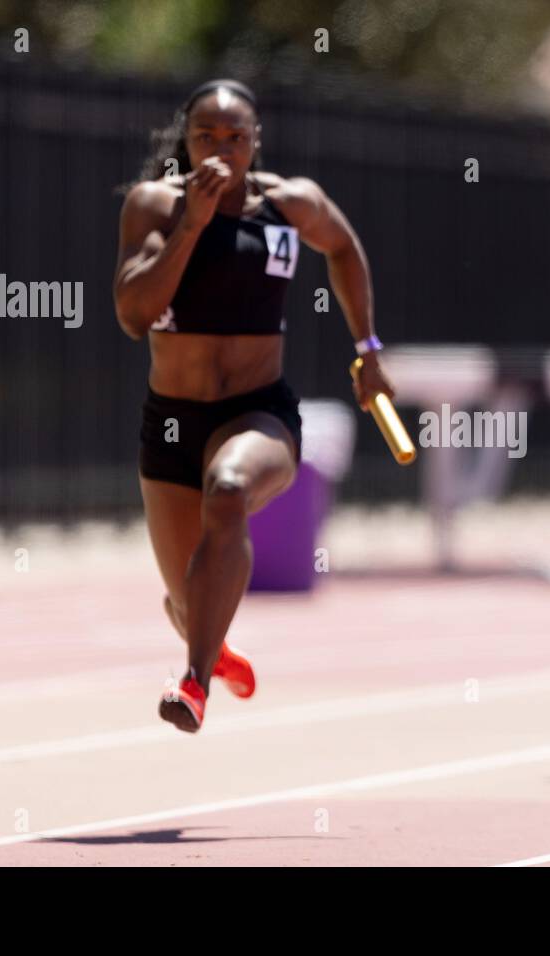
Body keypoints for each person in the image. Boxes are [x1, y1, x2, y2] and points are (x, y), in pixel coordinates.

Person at [113, 79, 395, 733]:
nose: (221, 149)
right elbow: (135, 314)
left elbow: (345, 247)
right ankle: (214, 650)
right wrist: (192, 224)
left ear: (255, 142)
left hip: (256, 410)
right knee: (188, 603)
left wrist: (368, 348)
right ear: (186, 140)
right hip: (173, 421)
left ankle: (194, 683)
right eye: (206, 136)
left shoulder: (289, 204)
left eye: (235, 137)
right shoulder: (154, 205)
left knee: (230, 488)